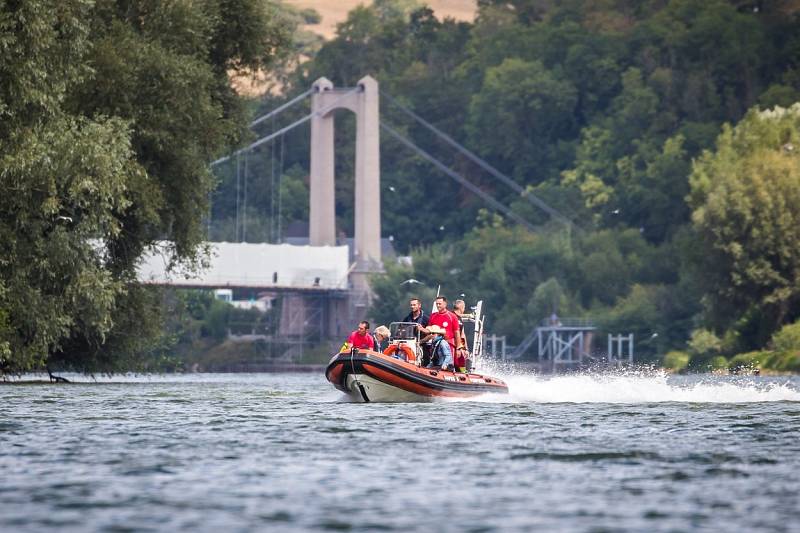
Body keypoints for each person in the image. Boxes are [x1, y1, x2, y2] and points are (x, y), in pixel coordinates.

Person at [428, 296, 464, 370]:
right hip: (435, 345)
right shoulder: (433, 316)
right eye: (437, 304)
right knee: (436, 363)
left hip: (449, 344)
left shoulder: (452, 316)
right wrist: (421, 330)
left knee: (448, 365)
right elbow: (429, 330)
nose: (438, 306)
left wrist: (458, 348)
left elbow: (457, 333)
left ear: (445, 304)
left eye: (440, 304)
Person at [453, 299, 470, 372]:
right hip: (452, 342)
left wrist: (465, 348)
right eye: (464, 307)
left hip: (458, 344)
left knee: (462, 358)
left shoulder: (460, 319)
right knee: (459, 359)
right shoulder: (451, 316)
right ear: (462, 307)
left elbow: (462, 335)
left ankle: (463, 372)